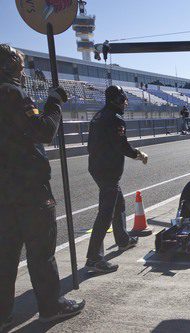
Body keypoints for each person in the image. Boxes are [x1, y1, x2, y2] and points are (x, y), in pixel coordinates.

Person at [0, 44, 84, 328]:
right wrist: (54, 102)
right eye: (21, 65)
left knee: (6, 254)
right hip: (28, 186)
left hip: (3, 189)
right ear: (11, 65)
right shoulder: (11, 92)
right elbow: (44, 131)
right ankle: (51, 306)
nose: (23, 71)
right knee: (40, 250)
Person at [86, 85, 149, 274]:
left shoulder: (98, 116)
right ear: (117, 100)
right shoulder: (115, 119)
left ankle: (123, 240)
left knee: (119, 203)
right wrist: (138, 154)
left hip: (97, 167)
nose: (125, 102)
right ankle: (94, 259)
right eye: (123, 99)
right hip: (108, 171)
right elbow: (122, 145)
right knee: (105, 214)